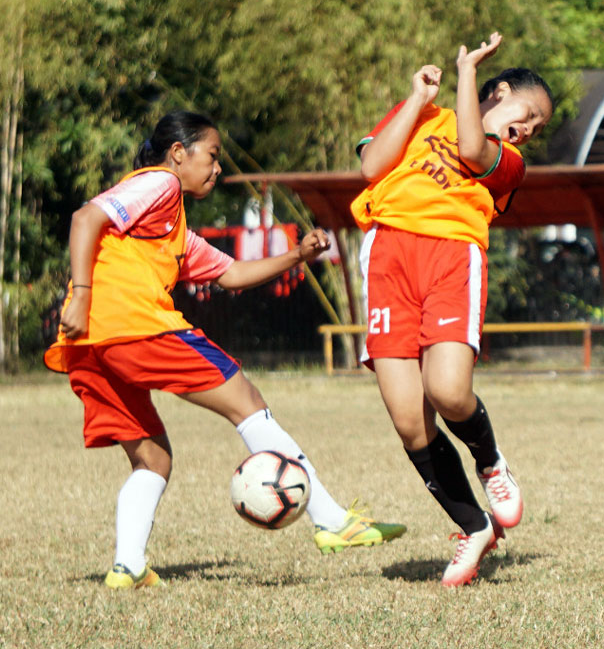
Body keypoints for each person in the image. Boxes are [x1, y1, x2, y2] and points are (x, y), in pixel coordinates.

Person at [45, 111, 405, 590]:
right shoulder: (160, 184)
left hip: (93, 345)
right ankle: (332, 520)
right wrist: (84, 292)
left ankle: (127, 566)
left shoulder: (170, 230)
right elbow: (85, 217)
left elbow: (231, 274)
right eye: (212, 156)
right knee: (248, 405)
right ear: (179, 153)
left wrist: (298, 256)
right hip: (134, 326)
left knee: (153, 459)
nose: (217, 169)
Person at [352, 32, 553, 586]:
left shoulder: (508, 162)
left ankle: (490, 461)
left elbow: (469, 148)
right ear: (503, 91)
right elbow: (372, 167)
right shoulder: (424, 116)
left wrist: (465, 71)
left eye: (537, 129)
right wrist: (416, 100)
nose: (529, 130)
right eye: (528, 114)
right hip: (388, 253)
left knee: (447, 391)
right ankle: (474, 526)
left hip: (449, 257)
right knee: (410, 423)